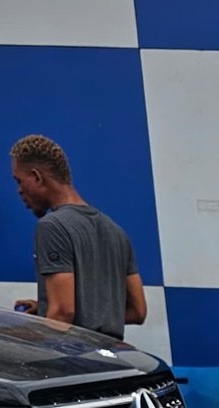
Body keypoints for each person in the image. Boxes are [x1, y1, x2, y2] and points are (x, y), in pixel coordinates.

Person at [8, 134, 145, 339]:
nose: (19, 191)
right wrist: (43, 309)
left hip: (74, 363)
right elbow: (138, 311)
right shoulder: (117, 232)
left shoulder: (52, 226)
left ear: (37, 177)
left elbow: (62, 314)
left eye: (20, 181)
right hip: (113, 363)